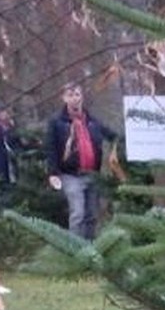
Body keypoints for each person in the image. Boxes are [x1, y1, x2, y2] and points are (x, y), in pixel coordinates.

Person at [45, 81, 117, 239]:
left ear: (82, 97)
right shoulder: (56, 122)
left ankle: (89, 246)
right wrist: (52, 173)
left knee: (92, 215)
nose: (74, 98)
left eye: (77, 94)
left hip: (92, 174)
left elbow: (112, 136)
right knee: (78, 213)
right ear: (64, 98)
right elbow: (50, 148)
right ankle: (74, 248)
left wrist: (122, 143)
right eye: (70, 95)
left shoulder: (92, 121)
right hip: (70, 175)